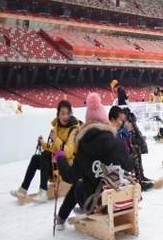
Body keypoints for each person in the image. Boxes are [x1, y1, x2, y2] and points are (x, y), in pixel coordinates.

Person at [55, 94, 133, 230]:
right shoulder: (117, 141)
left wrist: (60, 156)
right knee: (90, 182)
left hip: (97, 202)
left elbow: (69, 176)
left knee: (78, 183)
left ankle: (61, 218)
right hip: (120, 198)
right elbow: (129, 166)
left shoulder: (84, 147)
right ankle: (63, 217)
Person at [11, 100, 79, 200]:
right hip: (55, 164)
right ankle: (23, 190)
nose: (65, 116)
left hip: (65, 167)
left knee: (46, 154)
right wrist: (42, 143)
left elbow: (68, 152)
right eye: (63, 113)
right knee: (35, 158)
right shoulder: (56, 128)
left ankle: (43, 191)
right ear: (58, 115)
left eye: (68, 113)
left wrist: (56, 139)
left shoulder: (74, 129)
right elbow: (52, 148)